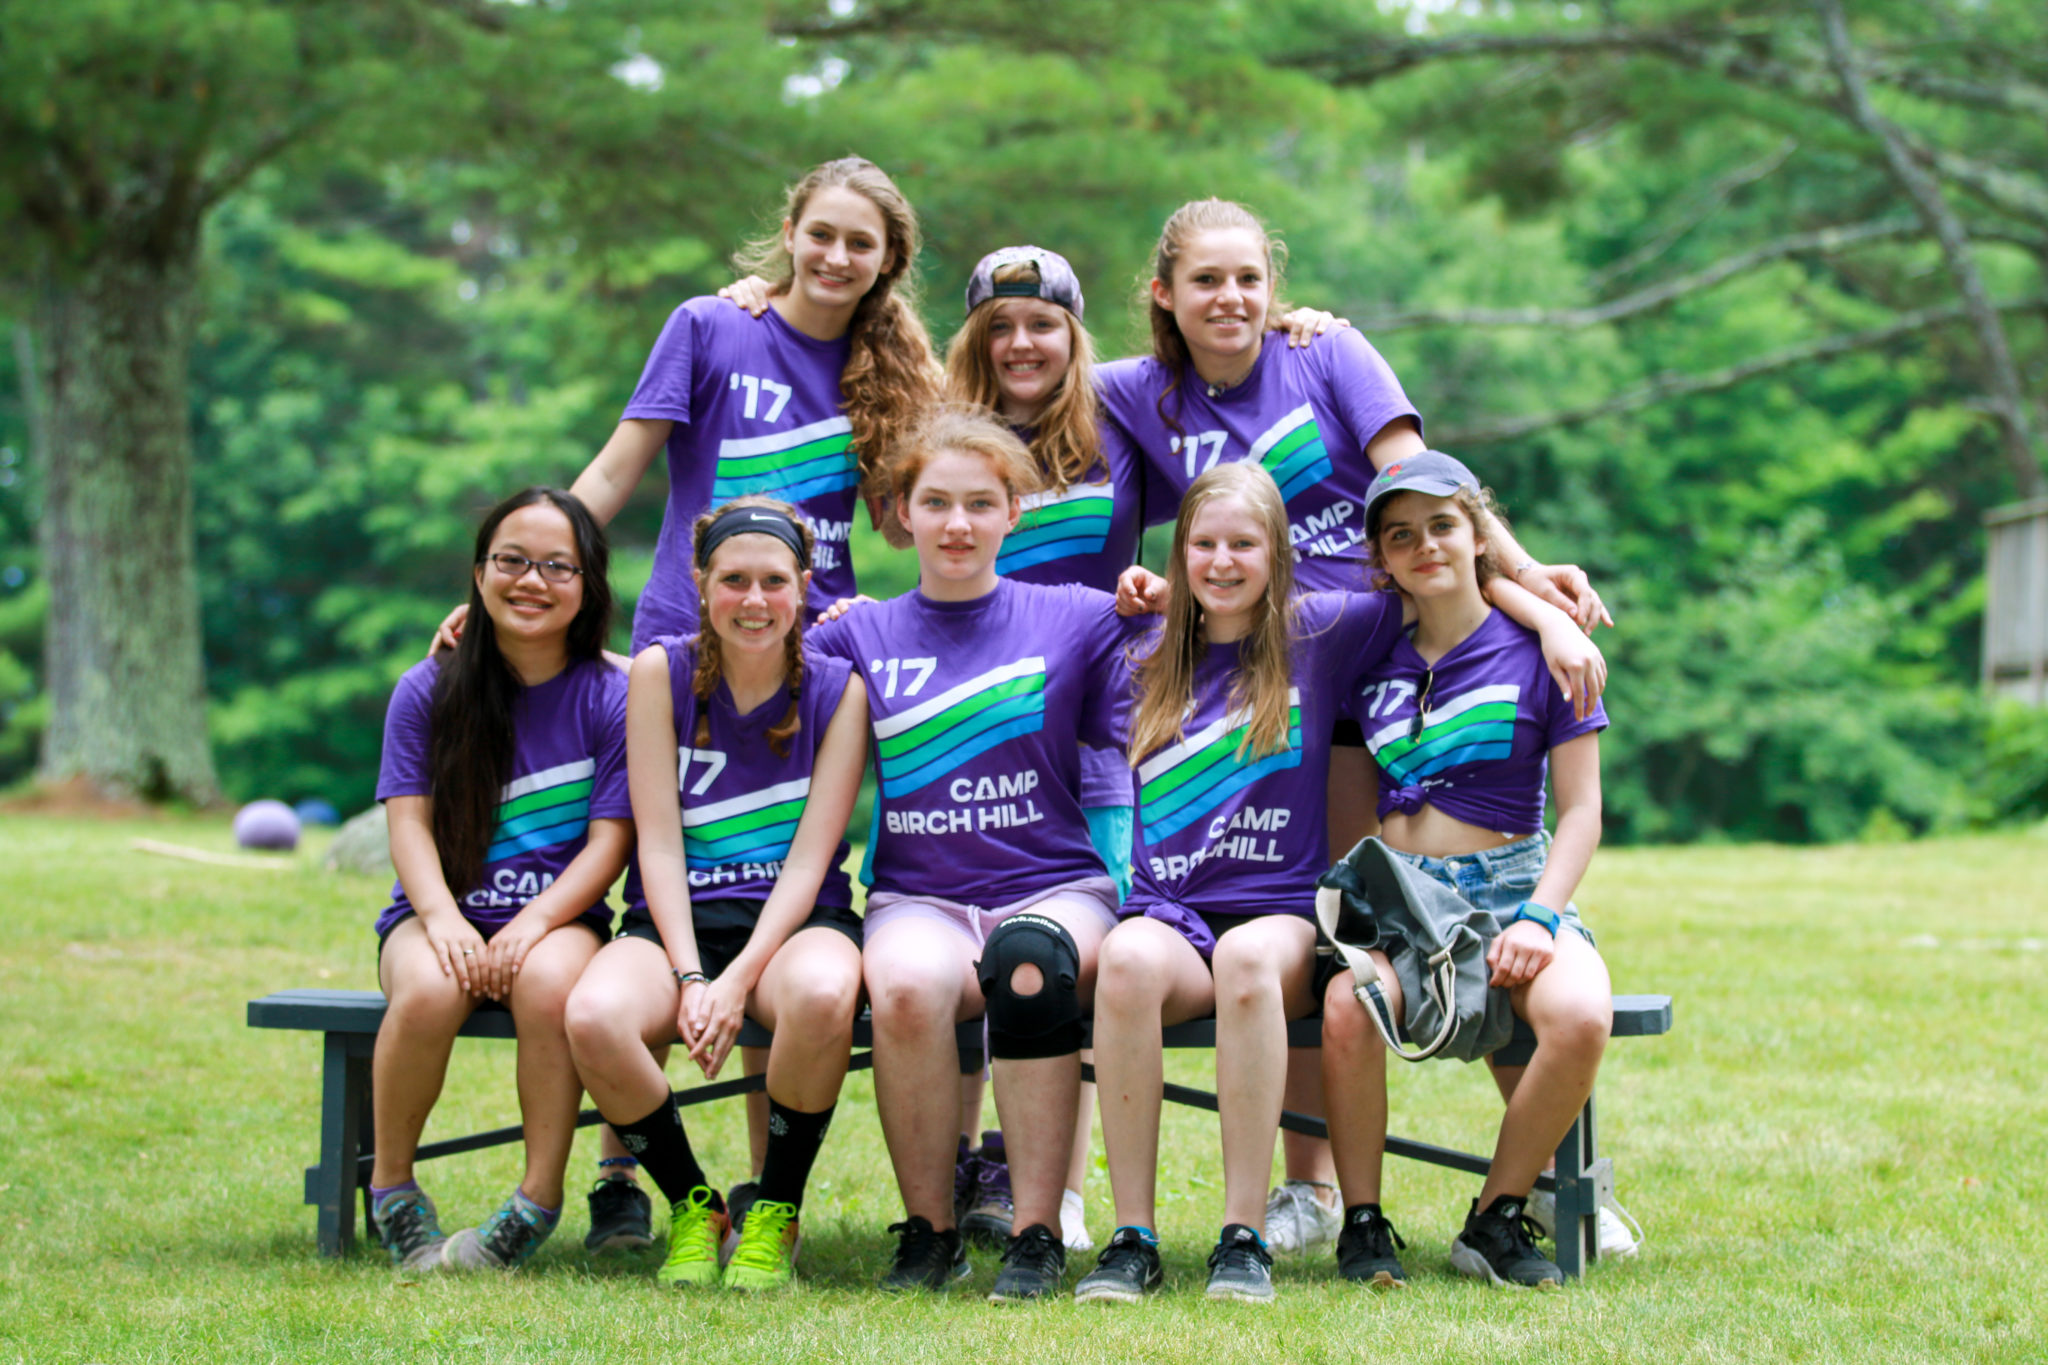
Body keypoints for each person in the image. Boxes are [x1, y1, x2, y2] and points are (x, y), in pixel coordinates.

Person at [1097, 197, 1611, 1254]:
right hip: (1274, 664)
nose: (1230, 297)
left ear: (1273, 284)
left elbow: (1436, 503)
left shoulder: (1326, 350)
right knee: (1331, 919)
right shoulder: (1137, 393)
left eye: (1248, 277)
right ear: (1162, 294)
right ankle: (1312, 1187)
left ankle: (1553, 1181)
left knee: (1459, 940)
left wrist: (1530, 596)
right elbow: (1013, 373)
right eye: (1204, 280)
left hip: (1370, 628)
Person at [1077, 461, 1601, 1304]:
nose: (1220, 561)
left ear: (1279, 556)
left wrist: (1547, 613)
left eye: (1243, 543)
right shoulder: (1135, 649)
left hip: (1289, 909)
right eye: (1201, 545)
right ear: (1176, 558)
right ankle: (1134, 1235)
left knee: (1253, 962)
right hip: (1173, 909)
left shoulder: (1320, 634)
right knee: (1128, 961)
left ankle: (1244, 1234)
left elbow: (1449, 579)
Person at [808, 405, 1144, 1301]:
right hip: (919, 897)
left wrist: (1156, 606)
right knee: (909, 989)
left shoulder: (1077, 616)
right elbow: (727, 674)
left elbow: (1194, 676)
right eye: (936, 502)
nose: (958, 523)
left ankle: (1036, 1230)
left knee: (1029, 961)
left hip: (1054, 884)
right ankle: (930, 1231)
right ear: (903, 512)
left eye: (980, 503)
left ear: (1012, 514)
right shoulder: (855, 634)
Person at [1319, 452, 1621, 1291]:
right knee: (1348, 1004)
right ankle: (1363, 1222)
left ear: (1477, 534)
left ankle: (1496, 1217)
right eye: (1402, 535)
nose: (1426, 546)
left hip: (1512, 888)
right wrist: (1358, 919)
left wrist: (1541, 917)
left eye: (1444, 526)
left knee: (1579, 1012)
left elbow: (1583, 812)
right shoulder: (1367, 659)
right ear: (1380, 555)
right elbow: (1350, 815)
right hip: (1402, 897)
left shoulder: (1545, 654)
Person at [561, 496, 869, 1291]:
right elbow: (657, 841)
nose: (755, 601)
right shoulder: (660, 671)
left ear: (804, 587)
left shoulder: (841, 689)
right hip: (676, 923)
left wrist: (735, 980)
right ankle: (697, 1204)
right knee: (593, 1014)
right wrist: (695, 974)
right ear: (702, 583)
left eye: (774, 581)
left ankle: (775, 1209)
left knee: (827, 990)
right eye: (735, 580)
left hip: (795, 923)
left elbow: (809, 865)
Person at [366, 488, 633, 1272]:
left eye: (558, 565)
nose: (532, 580)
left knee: (551, 988)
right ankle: (393, 1187)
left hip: (557, 918)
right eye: (512, 560)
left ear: (587, 584)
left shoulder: (611, 697)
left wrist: (533, 923)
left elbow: (607, 842)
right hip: (435, 911)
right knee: (430, 988)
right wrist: (446, 920)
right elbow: (408, 823)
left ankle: (535, 1197)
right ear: (479, 573)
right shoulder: (428, 688)